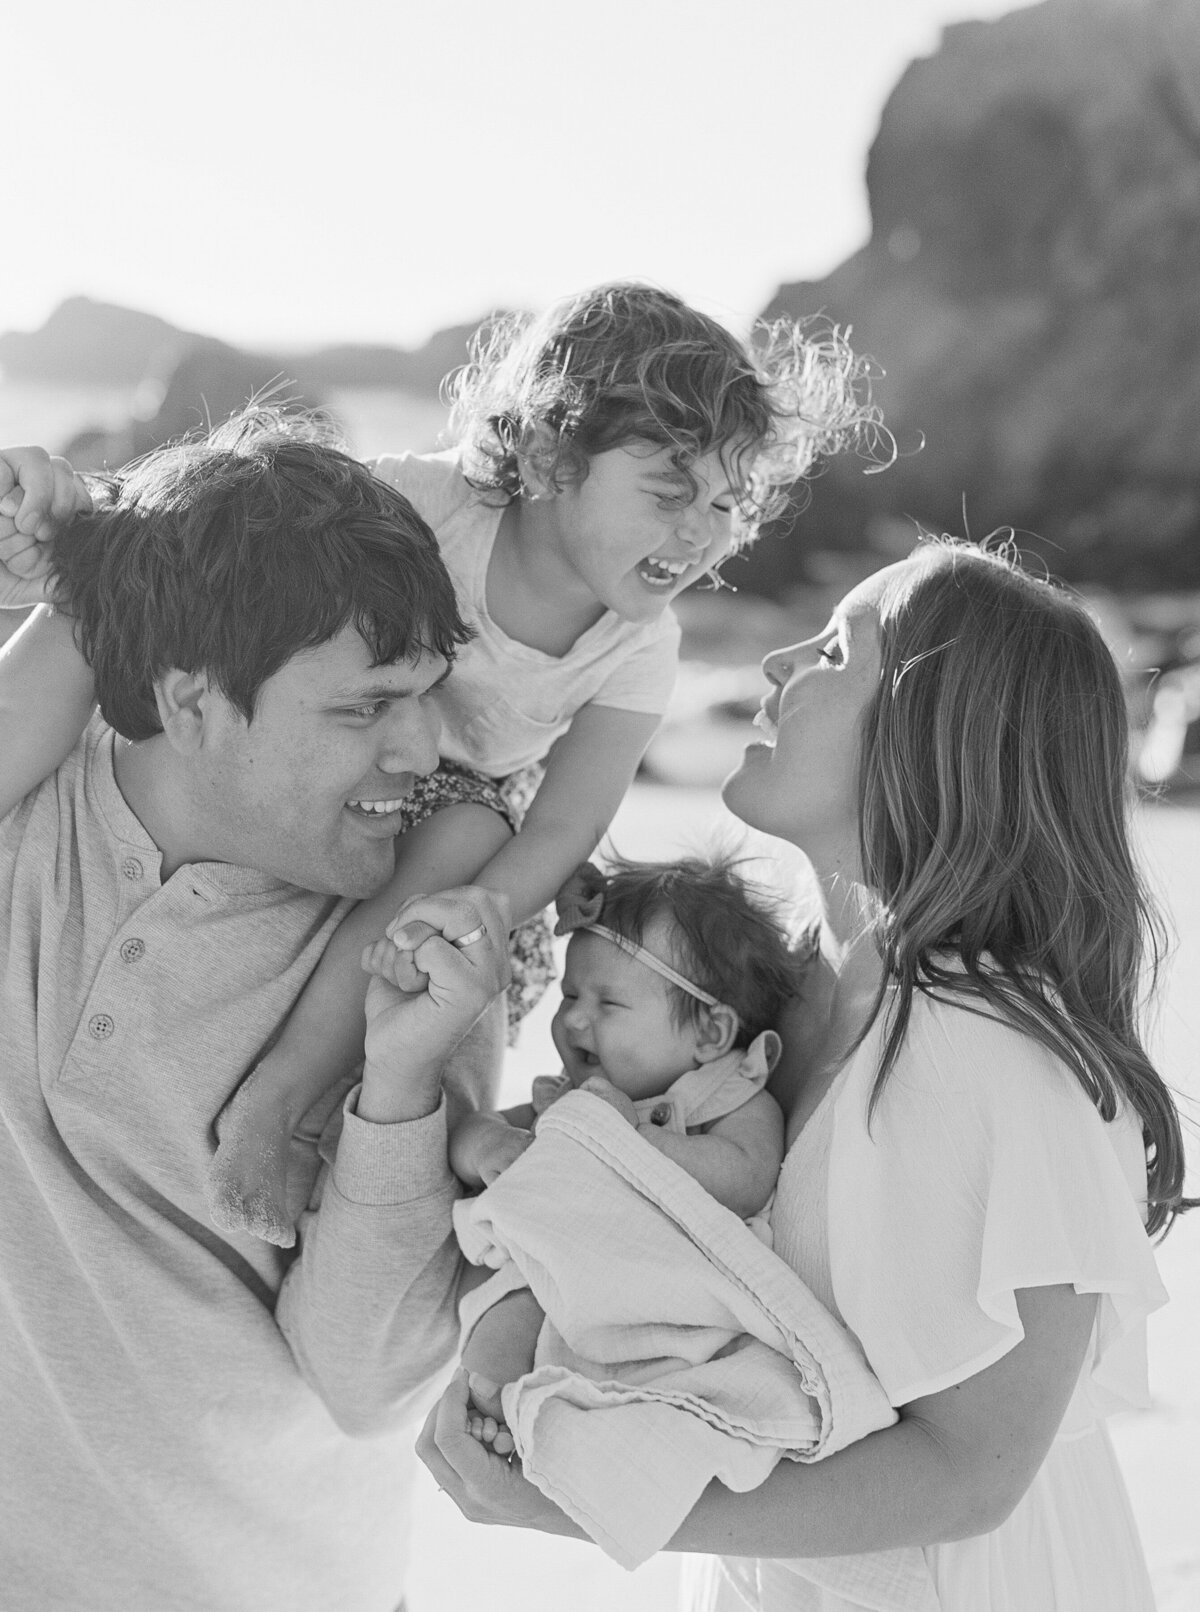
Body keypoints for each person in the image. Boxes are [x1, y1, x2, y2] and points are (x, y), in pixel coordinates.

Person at [418, 537, 1193, 1611]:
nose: (779, 658)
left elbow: (975, 1474)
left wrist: (596, 1491)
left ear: (933, 736)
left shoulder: (1002, 1057)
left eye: (836, 647)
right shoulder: (786, 1007)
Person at [200, 281, 879, 1246]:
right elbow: (251, 548)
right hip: (344, 751)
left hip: (466, 810)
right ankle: (287, 1099)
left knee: (477, 836)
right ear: (552, 458)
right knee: (458, 819)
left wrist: (500, 903)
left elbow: (567, 819)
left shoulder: (641, 645)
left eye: (726, 502)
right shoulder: (422, 510)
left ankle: (333, 1111)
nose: (701, 532)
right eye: (669, 491)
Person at [0, 409, 511, 1612]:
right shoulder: (29, 823)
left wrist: (395, 1093)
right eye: (361, 708)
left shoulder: (412, 958)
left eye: (429, 695)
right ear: (188, 701)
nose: (420, 751)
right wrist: (76, 570)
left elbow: (376, 1383)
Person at [429, 853, 805, 1452]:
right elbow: (468, 1134)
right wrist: (491, 1147)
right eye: (570, 993)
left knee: (716, 1361)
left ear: (710, 1034)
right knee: (508, 1302)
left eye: (609, 1004)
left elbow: (747, 1177)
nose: (575, 1019)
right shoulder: (572, 1100)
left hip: (675, 1289)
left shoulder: (727, 1095)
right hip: (567, 1281)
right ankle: (488, 1397)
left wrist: (630, 1139)